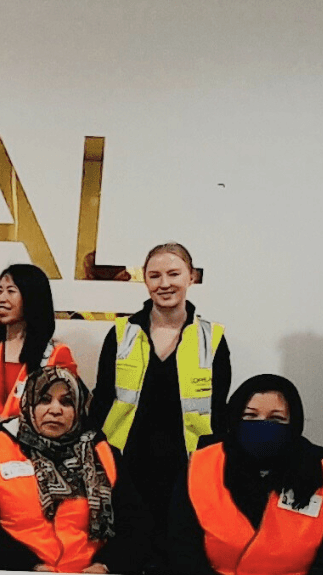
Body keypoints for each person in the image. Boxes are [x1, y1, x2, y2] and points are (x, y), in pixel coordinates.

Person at [90, 242, 229, 567]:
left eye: (173, 273)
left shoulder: (214, 338)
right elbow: (101, 401)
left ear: (191, 277)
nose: (164, 283)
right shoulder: (122, 333)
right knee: (123, 554)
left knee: (177, 558)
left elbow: (219, 413)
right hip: (124, 468)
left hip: (188, 470)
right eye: (154, 275)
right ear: (146, 281)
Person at [0, 367, 150, 573]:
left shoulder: (103, 453)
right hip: (16, 570)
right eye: (44, 400)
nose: (55, 410)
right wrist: (29, 566)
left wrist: (105, 565)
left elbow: (135, 526)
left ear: (78, 408)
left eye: (66, 402)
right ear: (29, 404)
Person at [170, 374, 323, 575]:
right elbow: (181, 548)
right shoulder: (201, 464)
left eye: (276, 418)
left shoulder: (316, 468)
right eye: (250, 416)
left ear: (294, 423)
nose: (262, 425)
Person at [0, 264, 78, 447]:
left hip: (30, 458)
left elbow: (66, 413)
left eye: (10, 291)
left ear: (31, 297)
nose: (1, 298)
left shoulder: (55, 354)